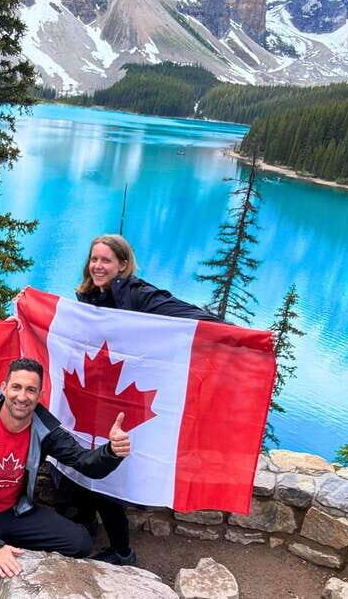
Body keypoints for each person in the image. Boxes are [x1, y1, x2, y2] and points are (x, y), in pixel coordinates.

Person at [64, 233, 220, 566]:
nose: (98, 266)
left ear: (122, 264)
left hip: (124, 406)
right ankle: (88, 525)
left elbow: (192, 316)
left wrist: (240, 335)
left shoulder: (140, 295)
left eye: (106, 260)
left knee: (107, 477)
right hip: (94, 399)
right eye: (94, 259)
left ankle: (122, 552)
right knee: (80, 467)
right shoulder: (88, 297)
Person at [0, 358, 130, 599]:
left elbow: (84, 462)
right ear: (4, 387)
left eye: (30, 390)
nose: (22, 396)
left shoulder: (44, 428)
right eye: (16, 387)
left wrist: (111, 452)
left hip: (14, 512)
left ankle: (5, 542)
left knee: (80, 543)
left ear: (40, 395)